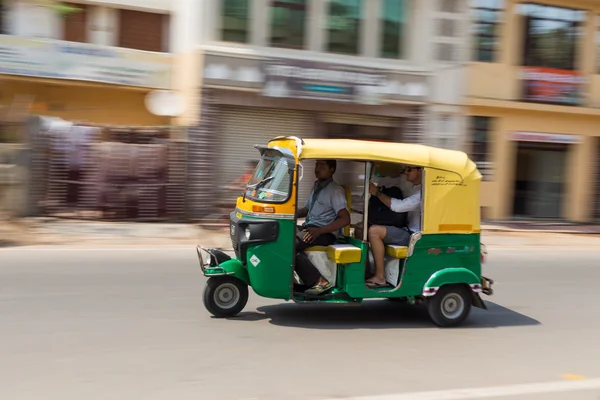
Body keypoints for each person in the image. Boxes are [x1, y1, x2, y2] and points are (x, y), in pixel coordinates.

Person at [295, 160, 351, 295]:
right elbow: (306, 210)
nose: (317, 168)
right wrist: (286, 214)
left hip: (324, 233)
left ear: (332, 170)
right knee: (282, 236)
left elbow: (345, 218)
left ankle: (320, 282)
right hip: (310, 228)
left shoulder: (335, 191)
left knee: (290, 245)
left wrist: (319, 231)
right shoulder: (317, 186)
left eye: (322, 166)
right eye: (316, 165)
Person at [365, 166, 423, 288]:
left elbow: (398, 207)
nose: (406, 173)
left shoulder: (422, 193)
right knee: (362, 228)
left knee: (374, 231)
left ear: (420, 171)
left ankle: (380, 277)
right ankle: (366, 271)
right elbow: (389, 183)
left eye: (409, 170)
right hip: (405, 228)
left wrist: (378, 192)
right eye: (405, 170)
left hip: (414, 235)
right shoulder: (410, 187)